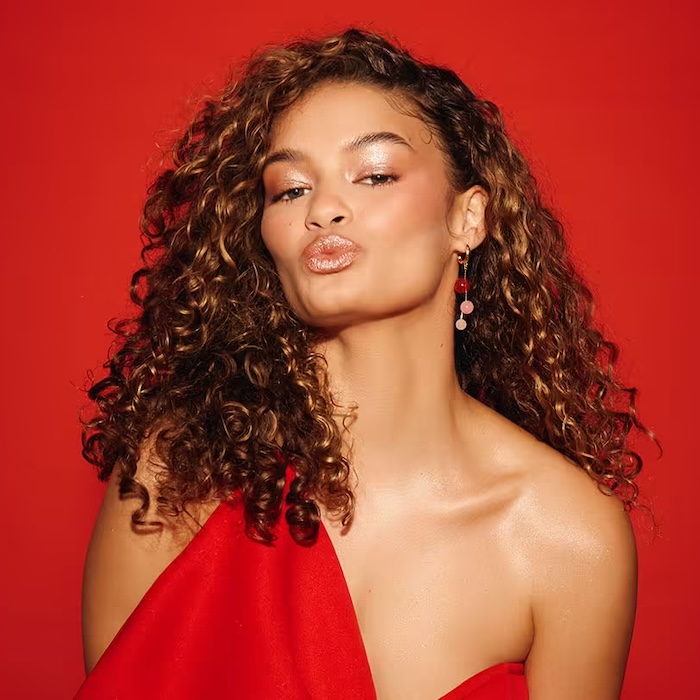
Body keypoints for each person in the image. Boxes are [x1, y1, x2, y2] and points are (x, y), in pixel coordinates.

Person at [76, 28, 655, 700]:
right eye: (289, 189)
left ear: (468, 219)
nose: (324, 208)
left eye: (375, 174)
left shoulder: (567, 539)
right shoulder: (173, 475)